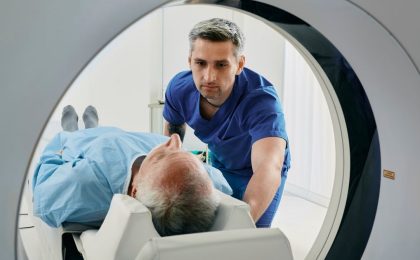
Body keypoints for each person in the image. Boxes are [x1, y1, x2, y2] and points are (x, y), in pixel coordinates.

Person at [163, 18, 291, 228]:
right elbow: (173, 134)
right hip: (222, 164)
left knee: (246, 234)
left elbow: (268, 166)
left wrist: (240, 227)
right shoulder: (179, 89)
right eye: (200, 63)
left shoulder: (262, 101)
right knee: (206, 224)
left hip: (259, 172)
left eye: (221, 65)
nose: (209, 76)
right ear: (189, 61)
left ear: (239, 65)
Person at [32, 105, 228, 236]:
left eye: (162, 156)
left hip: (86, 148)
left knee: (73, 138)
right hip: (126, 137)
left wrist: (57, 150)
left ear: (134, 191)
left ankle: (72, 130)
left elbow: (42, 194)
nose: (175, 139)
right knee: (105, 131)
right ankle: (92, 126)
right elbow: (222, 184)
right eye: (187, 155)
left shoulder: (86, 184)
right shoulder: (204, 187)